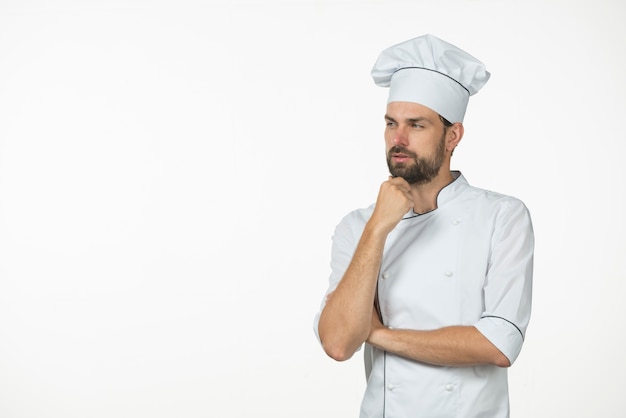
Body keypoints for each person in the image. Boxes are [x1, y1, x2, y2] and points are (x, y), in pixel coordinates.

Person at [313, 34, 534, 418]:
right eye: (391, 123)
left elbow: (497, 346)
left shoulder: (502, 216)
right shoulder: (359, 226)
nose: (398, 140)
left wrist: (378, 334)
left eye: (416, 125)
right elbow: (337, 343)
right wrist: (379, 228)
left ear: (453, 136)